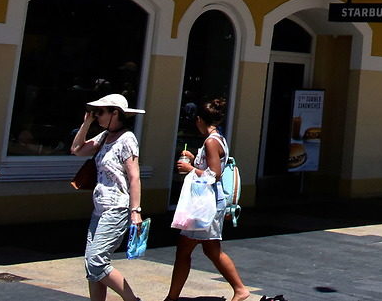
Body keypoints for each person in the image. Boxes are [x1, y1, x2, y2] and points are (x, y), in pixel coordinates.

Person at [165, 97, 250, 301]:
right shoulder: (218, 139)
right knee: (211, 250)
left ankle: (172, 298)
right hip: (210, 202)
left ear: (200, 120)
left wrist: (189, 168)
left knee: (185, 250)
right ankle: (239, 289)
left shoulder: (211, 142)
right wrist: (195, 159)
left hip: (206, 204)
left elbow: (214, 174)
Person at [71, 93, 145, 301]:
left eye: (100, 112)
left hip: (117, 208)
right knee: (90, 264)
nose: (97, 116)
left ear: (115, 113)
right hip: (99, 208)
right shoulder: (103, 137)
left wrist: (135, 211)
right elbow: (76, 150)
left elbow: (134, 177)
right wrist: (86, 123)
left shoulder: (127, 139)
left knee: (97, 262)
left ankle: (132, 299)